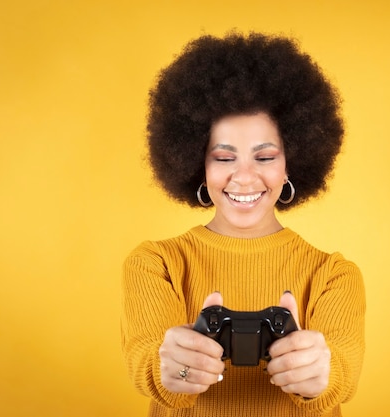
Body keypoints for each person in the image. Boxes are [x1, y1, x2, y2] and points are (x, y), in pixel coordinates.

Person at [121, 32, 366, 417]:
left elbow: (343, 376)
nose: (245, 177)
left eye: (265, 157)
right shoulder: (157, 264)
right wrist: (172, 369)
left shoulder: (333, 275)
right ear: (197, 165)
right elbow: (147, 361)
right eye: (223, 157)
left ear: (292, 163)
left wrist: (321, 373)